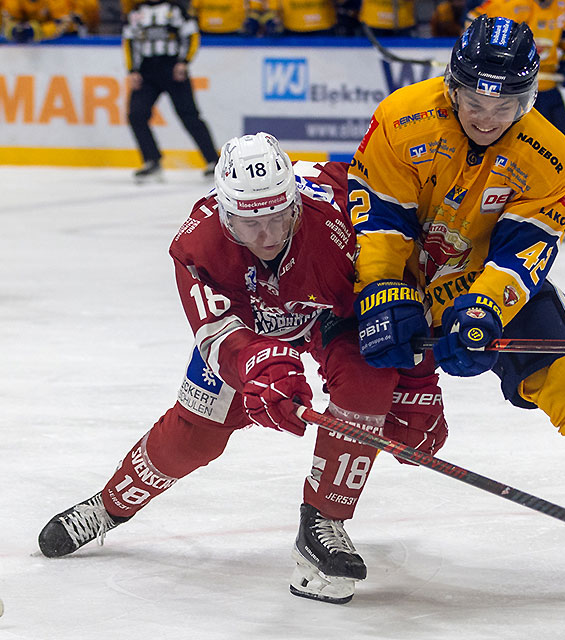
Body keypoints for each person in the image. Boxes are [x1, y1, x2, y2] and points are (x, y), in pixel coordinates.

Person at [347, 15, 565, 599]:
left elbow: (522, 256)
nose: (486, 119)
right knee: (354, 389)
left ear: (528, 98)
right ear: (452, 86)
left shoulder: (552, 158)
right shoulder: (401, 117)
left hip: (493, 289)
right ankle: (324, 519)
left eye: (504, 105)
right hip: (403, 285)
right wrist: (384, 289)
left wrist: (483, 308)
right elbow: (380, 213)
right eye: (473, 102)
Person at [37, 133, 448, 605]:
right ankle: (109, 507)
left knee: (367, 381)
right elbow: (215, 334)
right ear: (224, 211)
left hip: (331, 314)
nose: (268, 237)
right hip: (246, 326)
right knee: (194, 436)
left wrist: (418, 383)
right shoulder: (198, 244)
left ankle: (323, 524)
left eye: (278, 217)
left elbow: (395, 300)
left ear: (294, 199)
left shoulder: (342, 214)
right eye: (250, 224)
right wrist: (257, 362)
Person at [465, 1, 565, 241]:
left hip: (547, 89)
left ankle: (554, 208)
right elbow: (473, 27)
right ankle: (489, 210)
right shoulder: (505, 3)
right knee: (504, 150)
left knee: (557, 151)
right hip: (511, 95)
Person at [122, 0, 220, 183]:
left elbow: (192, 36)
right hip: (146, 70)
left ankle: (213, 161)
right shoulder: (136, 12)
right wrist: (132, 70)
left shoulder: (176, 10)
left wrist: (184, 61)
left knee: (189, 115)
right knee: (136, 114)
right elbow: (129, 42)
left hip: (173, 67)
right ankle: (152, 161)